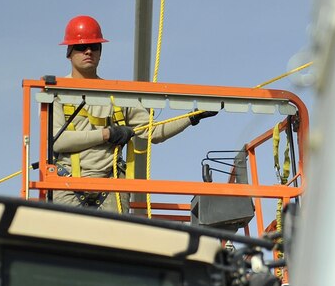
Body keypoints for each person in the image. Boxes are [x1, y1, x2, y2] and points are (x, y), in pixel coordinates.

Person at [50, 15, 217, 212]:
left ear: (100, 52)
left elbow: (153, 132)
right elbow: (58, 141)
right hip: (68, 186)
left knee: (114, 241)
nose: (88, 51)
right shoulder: (56, 93)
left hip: (110, 188)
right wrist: (107, 134)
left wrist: (191, 117)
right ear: (69, 53)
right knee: (68, 242)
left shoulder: (117, 95)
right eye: (81, 47)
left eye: (94, 46)